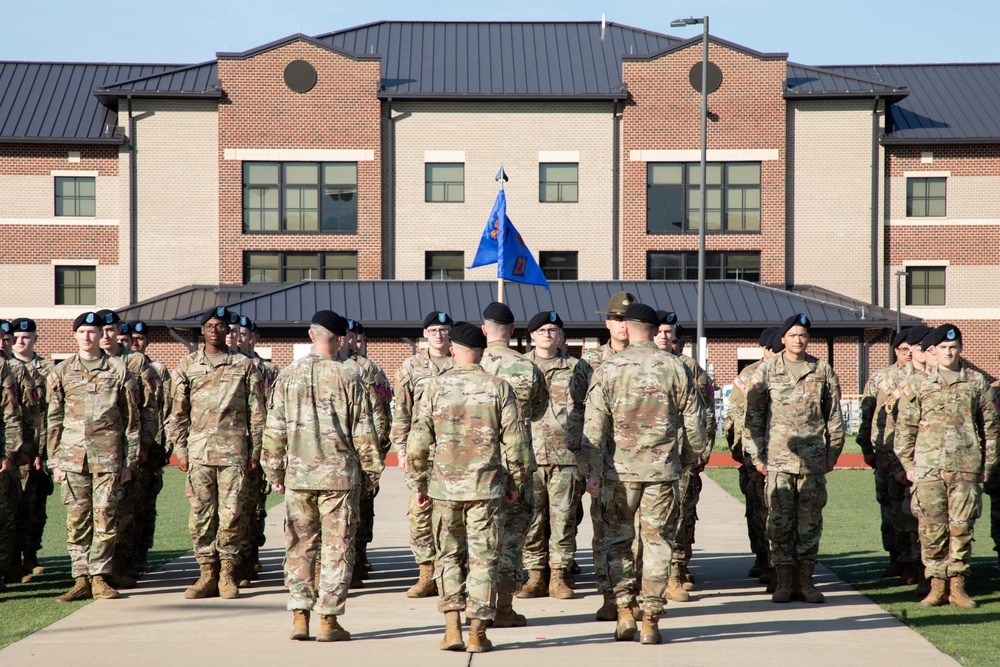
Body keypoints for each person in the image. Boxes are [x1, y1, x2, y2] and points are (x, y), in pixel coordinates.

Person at [582, 302, 706, 645]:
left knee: (617, 542)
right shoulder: (676, 367)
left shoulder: (608, 368)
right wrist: (687, 457)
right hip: (662, 472)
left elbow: (594, 426)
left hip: (617, 473)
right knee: (657, 544)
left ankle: (624, 611)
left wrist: (591, 470)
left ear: (629, 327)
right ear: (654, 329)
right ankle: (650, 619)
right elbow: (696, 423)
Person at [407, 321, 531, 654]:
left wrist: (418, 483)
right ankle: (477, 632)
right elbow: (517, 443)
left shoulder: (433, 387)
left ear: (453, 349)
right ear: (481, 352)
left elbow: (418, 442)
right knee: (483, 560)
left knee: (448, 556)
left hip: (445, 490)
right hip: (485, 490)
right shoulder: (498, 387)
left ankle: (452, 630)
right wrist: (517, 481)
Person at [262, 310, 381, 642]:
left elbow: (273, 429)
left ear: (312, 335)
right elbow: (364, 432)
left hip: (299, 476)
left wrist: (274, 469)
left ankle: (300, 616)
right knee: (337, 548)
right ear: (340, 339)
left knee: (300, 546)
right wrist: (371, 471)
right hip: (338, 478)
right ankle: (328, 619)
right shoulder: (349, 377)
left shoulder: (286, 376)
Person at [894, 324, 999, 609]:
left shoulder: (976, 383)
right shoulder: (919, 384)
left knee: (962, 528)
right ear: (934, 351)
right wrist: (907, 464)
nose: (949, 352)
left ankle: (958, 586)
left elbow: (990, 428)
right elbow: (905, 427)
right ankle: (936, 586)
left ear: (960, 349)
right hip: (927, 468)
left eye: (953, 347)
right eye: (943, 348)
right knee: (931, 529)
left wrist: (988, 464)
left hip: (966, 467)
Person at [166, 306, 265, 600]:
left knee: (232, 515)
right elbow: (177, 413)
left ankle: (227, 573)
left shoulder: (245, 366)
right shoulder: (187, 366)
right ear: (202, 331)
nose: (215, 331)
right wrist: (180, 450)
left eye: (221, 326)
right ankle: (206, 573)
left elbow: (257, 413)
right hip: (199, 453)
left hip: (235, 452)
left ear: (229, 332)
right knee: (200, 515)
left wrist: (256, 450)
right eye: (210, 326)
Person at [744, 314, 845, 604]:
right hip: (777, 460)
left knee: (810, 523)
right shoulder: (767, 371)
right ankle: (784, 581)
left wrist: (832, 453)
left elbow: (833, 416)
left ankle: (806, 581)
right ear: (783, 339)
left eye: (802, 335)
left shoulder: (822, 370)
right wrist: (757, 455)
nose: (798, 339)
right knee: (779, 523)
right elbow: (754, 416)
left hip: (812, 462)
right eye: (792, 335)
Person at [47, 311, 140, 602]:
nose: (87, 337)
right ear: (75, 336)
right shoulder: (61, 371)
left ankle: (100, 576)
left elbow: (131, 421)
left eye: (93, 332)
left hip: (108, 458)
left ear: (102, 335)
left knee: (106, 517)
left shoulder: (119, 370)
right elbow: (53, 419)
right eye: (82, 332)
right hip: (73, 458)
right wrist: (55, 461)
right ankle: (80, 578)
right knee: (77, 519)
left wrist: (130, 462)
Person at [477, 301, 548, 626]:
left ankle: (475, 608)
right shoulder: (527, 366)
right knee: (511, 540)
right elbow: (536, 411)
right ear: (514, 331)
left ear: (483, 330)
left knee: (473, 541)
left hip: (474, 467)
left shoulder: (464, 363)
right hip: (517, 464)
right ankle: (504, 608)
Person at [520, 311, 587, 600]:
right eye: (542, 330)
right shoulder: (519, 367)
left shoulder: (577, 368)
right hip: (529, 455)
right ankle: (535, 575)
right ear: (532, 335)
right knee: (531, 520)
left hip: (566, 457)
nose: (547, 334)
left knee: (564, 519)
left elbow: (590, 409)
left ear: (560, 335)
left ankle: (559, 576)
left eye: (553, 329)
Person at [577, 290, 634, 621]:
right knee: (605, 532)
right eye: (616, 319)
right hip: (606, 463)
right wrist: (585, 460)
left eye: (627, 320)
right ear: (607, 322)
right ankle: (610, 595)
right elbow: (578, 413)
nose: (621, 325)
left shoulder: (652, 359)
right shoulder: (590, 362)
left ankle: (636, 595)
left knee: (640, 535)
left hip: (643, 464)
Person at [390, 310, 454, 598]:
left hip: (456, 451)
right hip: (422, 451)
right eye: (433, 330)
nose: (438, 335)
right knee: (420, 511)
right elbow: (401, 412)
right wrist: (401, 451)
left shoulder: (461, 361)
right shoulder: (411, 366)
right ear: (425, 335)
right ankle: (426, 572)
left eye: (443, 329)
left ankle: (452, 571)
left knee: (453, 514)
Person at [653, 311, 715, 601]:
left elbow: (706, 413)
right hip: (648, 457)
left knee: (682, 514)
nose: (664, 337)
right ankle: (654, 575)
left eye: (669, 332)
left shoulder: (690, 367)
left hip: (683, 454)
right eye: (660, 331)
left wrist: (703, 450)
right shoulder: (641, 364)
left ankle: (676, 571)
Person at [94, 309, 160, 589]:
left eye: (111, 330)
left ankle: (123, 564)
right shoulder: (90, 362)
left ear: (118, 331)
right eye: (102, 330)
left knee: (128, 508)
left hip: (128, 448)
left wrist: (143, 446)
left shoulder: (135, 362)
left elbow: (148, 407)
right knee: (98, 512)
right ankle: (97, 570)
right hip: (96, 450)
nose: (106, 335)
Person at [856, 329, 912, 579]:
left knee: (913, 508)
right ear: (895, 350)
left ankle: (915, 561)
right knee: (889, 508)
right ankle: (895, 558)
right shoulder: (881, 378)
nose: (909, 353)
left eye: (914, 348)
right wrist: (866, 449)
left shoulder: (924, 376)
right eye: (904, 349)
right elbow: (867, 415)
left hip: (916, 455)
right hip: (887, 456)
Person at [340, 318, 391, 585]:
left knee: (361, 509)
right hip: (337, 451)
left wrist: (378, 449)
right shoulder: (335, 365)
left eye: (357, 338)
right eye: (348, 336)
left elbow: (381, 412)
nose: (352, 341)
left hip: (364, 449)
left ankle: (357, 559)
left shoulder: (368, 369)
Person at [725, 327, 777, 582]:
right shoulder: (749, 374)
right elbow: (736, 416)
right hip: (754, 454)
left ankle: (778, 564)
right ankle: (762, 556)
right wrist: (742, 456)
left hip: (781, 454)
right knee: (757, 511)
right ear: (764, 349)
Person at [9, 318, 56, 579]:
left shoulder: (49, 369)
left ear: (35, 338)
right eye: (16, 337)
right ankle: (12, 560)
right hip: (15, 449)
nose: (21, 341)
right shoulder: (7, 368)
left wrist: (43, 452)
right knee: (14, 508)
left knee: (37, 507)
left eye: (26, 336)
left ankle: (31, 556)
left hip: (40, 450)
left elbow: (52, 412)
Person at [235, 316, 279, 585]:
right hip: (229, 447)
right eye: (234, 334)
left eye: (243, 334)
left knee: (253, 508)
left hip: (257, 448)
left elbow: (274, 411)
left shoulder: (269, 370)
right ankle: (233, 564)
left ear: (254, 338)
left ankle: (249, 559)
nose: (238, 338)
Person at [128, 320, 171, 575]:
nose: (135, 343)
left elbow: (164, 410)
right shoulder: (121, 367)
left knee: (146, 506)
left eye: (140, 339)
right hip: (125, 450)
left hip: (150, 449)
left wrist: (161, 450)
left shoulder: (157, 370)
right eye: (131, 338)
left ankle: (141, 553)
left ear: (148, 342)